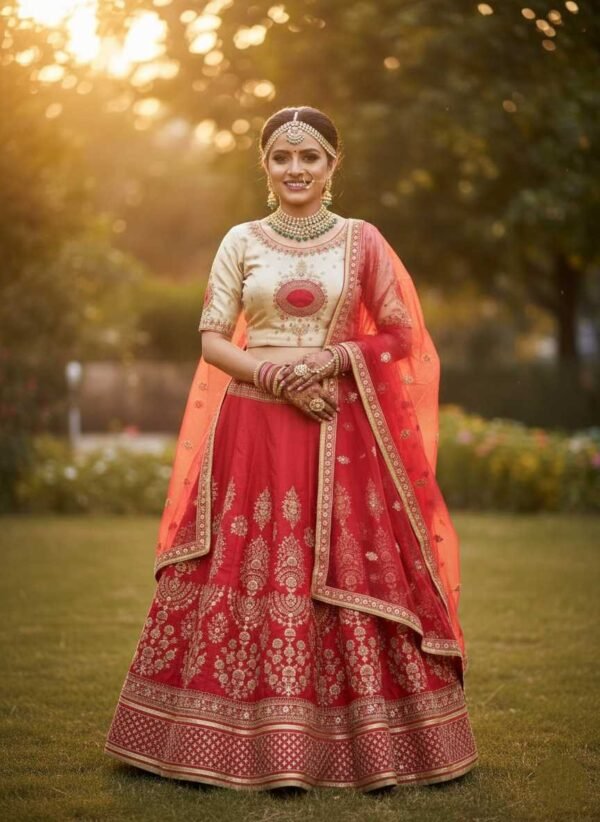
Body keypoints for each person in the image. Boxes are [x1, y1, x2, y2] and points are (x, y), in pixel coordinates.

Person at [105, 106, 478, 791]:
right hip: (253, 428)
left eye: (310, 157)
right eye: (282, 157)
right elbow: (214, 337)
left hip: (339, 429)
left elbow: (399, 336)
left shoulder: (362, 242)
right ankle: (213, 738)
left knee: (342, 570)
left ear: (333, 166)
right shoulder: (241, 240)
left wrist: (332, 360)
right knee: (249, 562)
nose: (296, 169)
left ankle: (365, 746)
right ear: (266, 167)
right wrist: (276, 373)